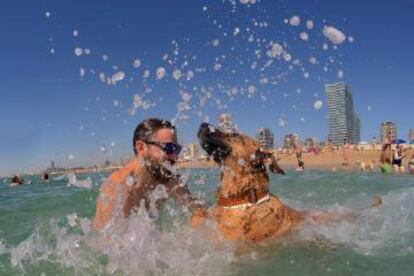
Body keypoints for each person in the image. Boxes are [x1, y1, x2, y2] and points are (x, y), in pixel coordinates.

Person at [93, 118, 206, 230]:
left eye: (177, 149)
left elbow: (199, 212)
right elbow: (103, 239)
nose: (175, 156)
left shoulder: (168, 180)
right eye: (169, 148)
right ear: (141, 148)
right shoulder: (117, 186)